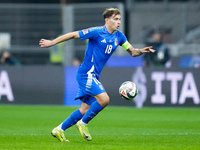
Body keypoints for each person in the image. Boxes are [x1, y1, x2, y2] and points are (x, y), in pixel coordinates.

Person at [39, 8, 155, 142]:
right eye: (115, 19)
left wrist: (141, 51)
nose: (119, 22)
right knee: (104, 99)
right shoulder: (97, 32)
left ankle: (59, 129)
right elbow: (73, 34)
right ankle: (82, 124)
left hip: (93, 76)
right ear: (107, 20)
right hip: (86, 74)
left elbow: (133, 52)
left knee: (84, 109)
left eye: (119, 19)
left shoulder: (119, 36)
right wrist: (52, 42)